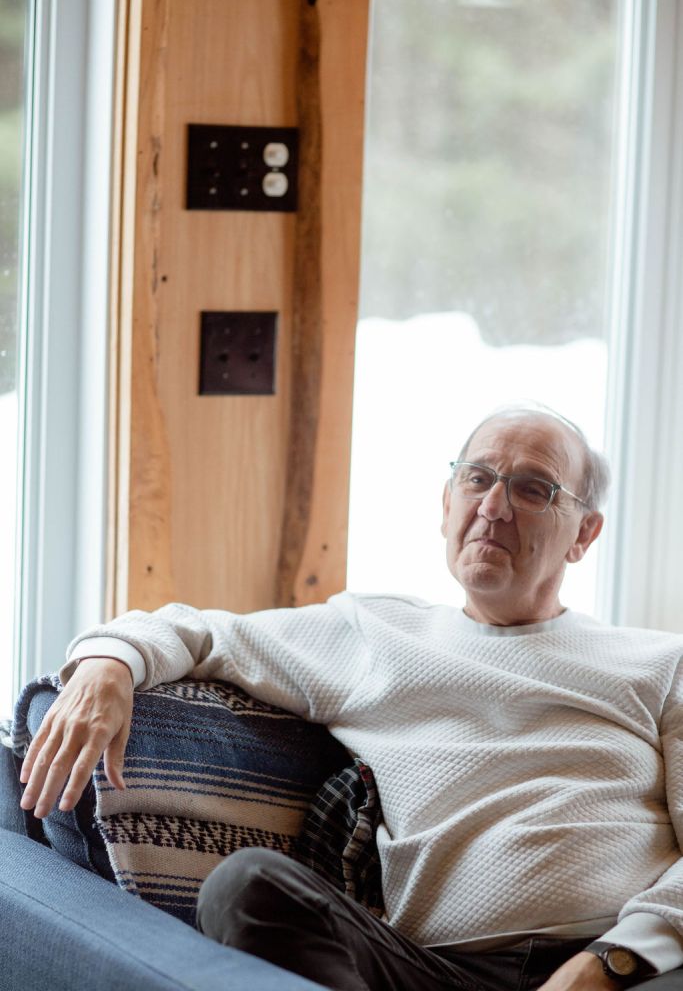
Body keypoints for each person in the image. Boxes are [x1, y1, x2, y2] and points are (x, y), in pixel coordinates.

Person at [18, 406, 683, 990]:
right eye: (476, 478)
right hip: (431, 971)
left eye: (532, 489)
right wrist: (108, 665)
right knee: (248, 887)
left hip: (625, 966)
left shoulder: (660, 664)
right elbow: (198, 632)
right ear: (445, 503)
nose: (493, 507)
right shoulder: (374, 633)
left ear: (584, 533)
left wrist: (612, 962)